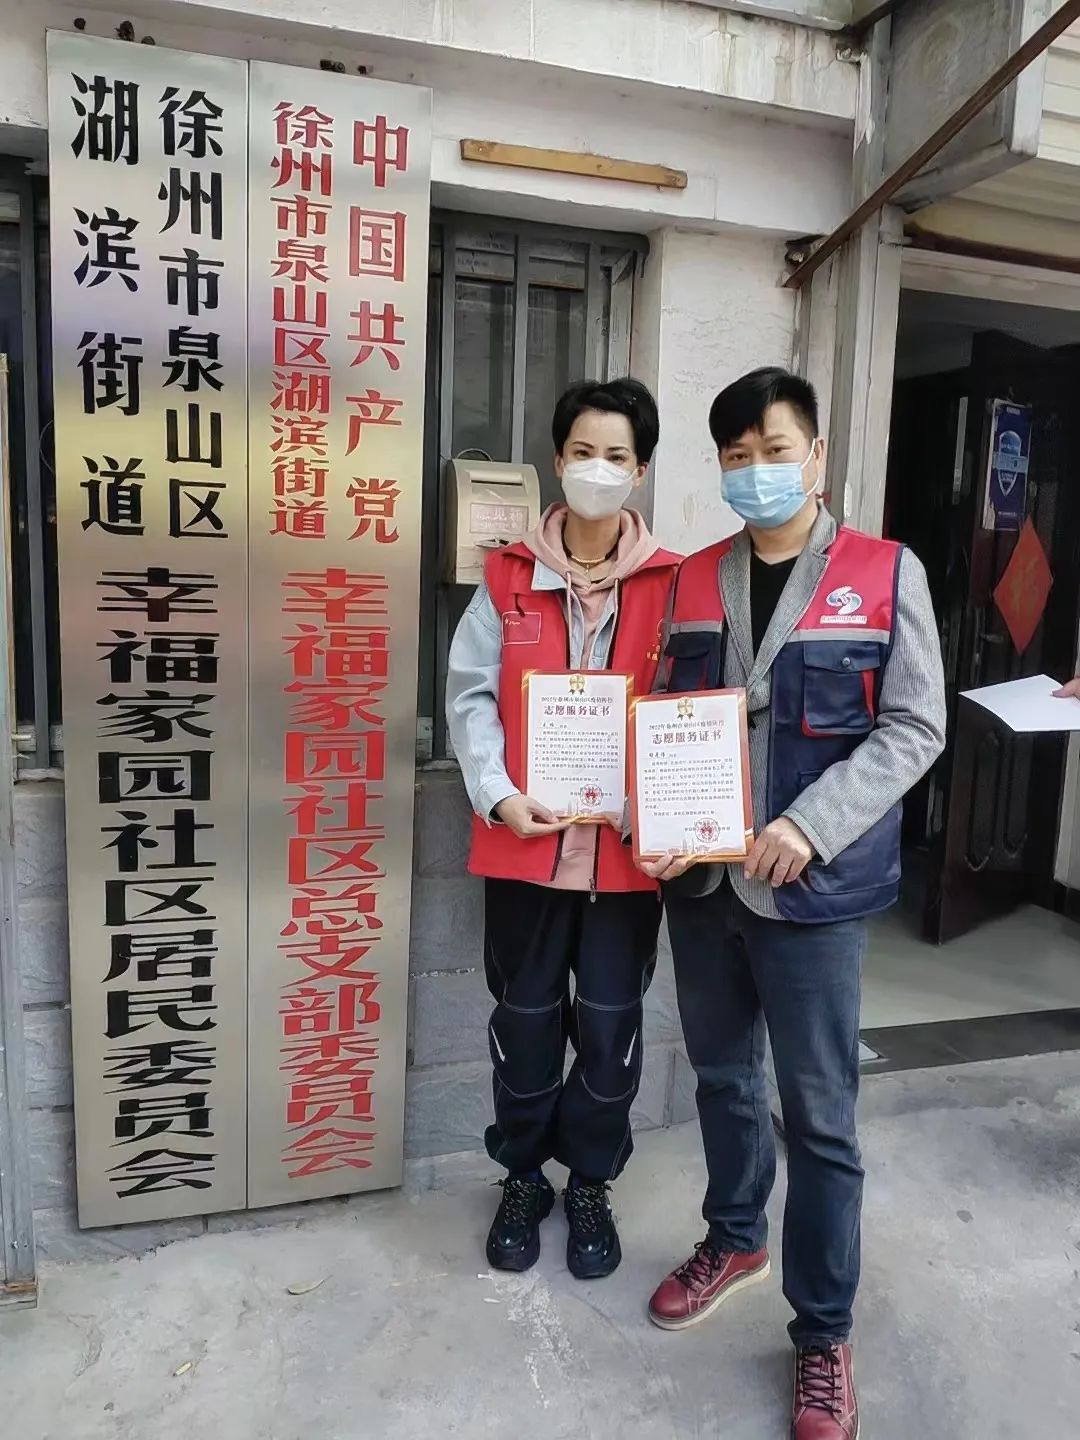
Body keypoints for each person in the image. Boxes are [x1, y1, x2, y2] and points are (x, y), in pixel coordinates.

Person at [640, 368, 946, 1440]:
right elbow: (665, 716)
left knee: (820, 1116)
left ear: (816, 455)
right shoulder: (692, 578)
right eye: (737, 457)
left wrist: (811, 823)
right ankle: (736, 1237)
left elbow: (916, 726)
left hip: (814, 891)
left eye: (775, 450)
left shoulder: (883, 571)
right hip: (703, 886)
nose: (757, 471)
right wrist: (656, 816)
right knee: (724, 1077)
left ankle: (823, 1333)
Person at [446, 378, 680, 1280]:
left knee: (612, 1033)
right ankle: (523, 1178)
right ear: (557, 459)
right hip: (527, 848)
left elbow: (692, 715)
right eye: (584, 452)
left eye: (617, 456)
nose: (598, 469)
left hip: (625, 859)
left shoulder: (677, 582)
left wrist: (662, 810)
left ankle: (589, 1182)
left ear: (641, 470)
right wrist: (499, 793)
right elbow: (470, 697)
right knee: (526, 1023)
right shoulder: (506, 576)